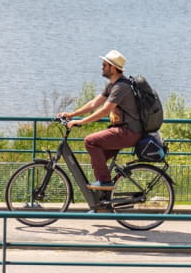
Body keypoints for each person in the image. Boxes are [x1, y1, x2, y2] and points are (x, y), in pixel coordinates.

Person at [58, 50, 143, 189]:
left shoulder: (121, 87)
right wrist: (72, 114)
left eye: (105, 64)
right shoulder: (112, 85)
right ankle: (103, 202)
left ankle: (105, 182)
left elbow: (104, 110)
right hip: (123, 130)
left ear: (113, 68)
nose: (102, 67)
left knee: (90, 141)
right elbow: (93, 104)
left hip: (129, 132)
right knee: (97, 161)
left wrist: (80, 122)